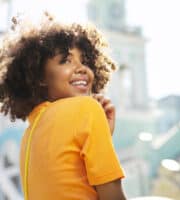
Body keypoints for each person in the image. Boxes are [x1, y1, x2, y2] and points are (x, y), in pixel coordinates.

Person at [0, 12, 126, 200]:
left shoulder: (30, 132)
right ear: (40, 76)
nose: (81, 68)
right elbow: (113, 196)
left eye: (85, 61)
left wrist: (101, 134)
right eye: (66, 60)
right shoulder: (87, 109)